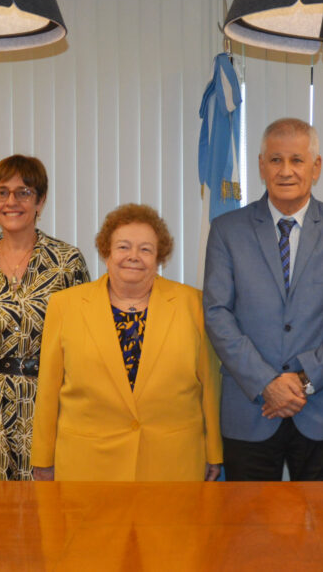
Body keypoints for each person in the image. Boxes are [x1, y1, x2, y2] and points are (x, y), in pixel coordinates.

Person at [204, 117, 323, 481]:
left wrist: (302, 379)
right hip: (251, 409)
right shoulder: (227, 231)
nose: (286, 171)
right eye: (276, 160)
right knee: (246, 532)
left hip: (320, 407)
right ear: (262, 166)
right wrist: (267, 382)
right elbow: (218, 314)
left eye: (296, 160)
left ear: (316, 167)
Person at [31, 204, 221, 481]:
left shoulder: (194, 304)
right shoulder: (65, 305)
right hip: (88, 466)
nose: (133, 256)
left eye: (145, 249)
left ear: (159, 257)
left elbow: (210, 387)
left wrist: (214, 451)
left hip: (172, 465)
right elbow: (48, 390)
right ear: (106, 252)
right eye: (123, 247)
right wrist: (43, 458)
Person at [0, 155, 90, 480]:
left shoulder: (67, 262)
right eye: (2, 192)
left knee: (49, 516)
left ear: (40, 200)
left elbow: (85, 345)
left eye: (23, 192)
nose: (11, 201)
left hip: (51, 408)